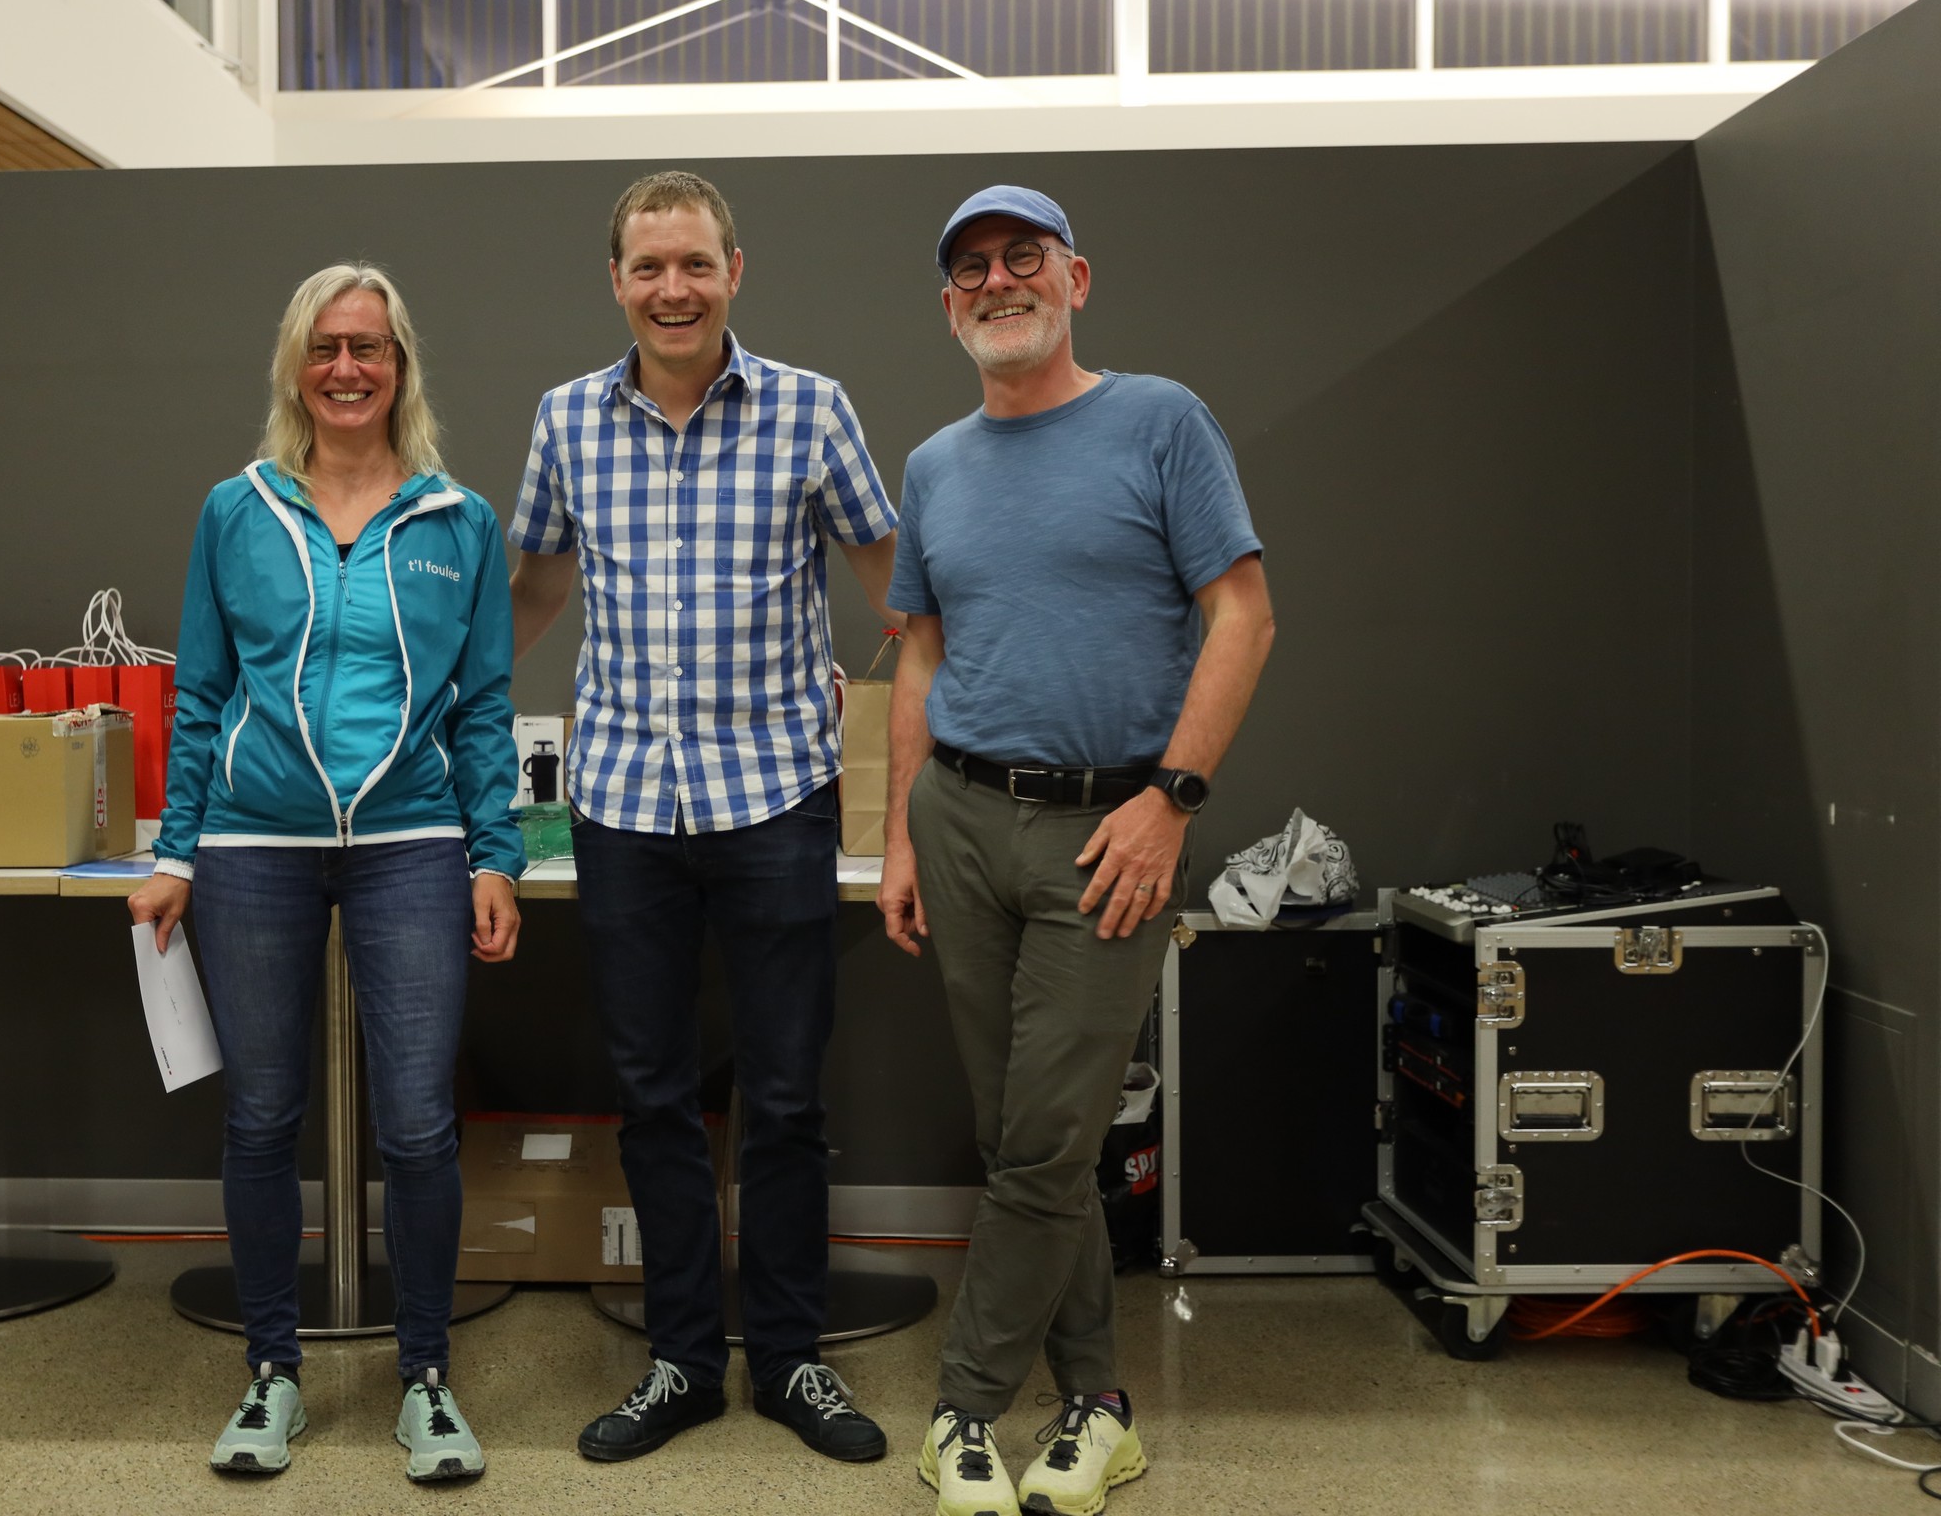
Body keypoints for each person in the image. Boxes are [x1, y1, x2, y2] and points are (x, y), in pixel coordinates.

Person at [878, 187, 1276, 1516]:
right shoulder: (935, 465)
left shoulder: (1161, 422)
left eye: (1022, 259)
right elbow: (919, 657)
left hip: (1110, 833)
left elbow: (1244, 615)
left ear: (1075, 278)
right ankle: (1100, 1406)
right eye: (972, 269)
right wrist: (901, 836)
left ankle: (963, 1409)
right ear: (949, 304)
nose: (998, 282)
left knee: (1046, 1143)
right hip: (960, 822)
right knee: (1023, 1142)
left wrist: (1175, 799)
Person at [507, 171, 902, 1466]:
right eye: (648, 267)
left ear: (736, 270)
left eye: (694, 264)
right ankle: (681, 1359)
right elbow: (535, 590)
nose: (671, 289)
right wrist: (435, 695)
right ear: (616, 282)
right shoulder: (567, 420)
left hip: (776, 798)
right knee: (655, 1100)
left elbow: (896, 582)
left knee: (784, 1098)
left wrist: (942, 708)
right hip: (624, 806)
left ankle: (787, 1358)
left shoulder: (811, 410)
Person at [128, 263, 525, 1483]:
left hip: (414, 842)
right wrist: (176, 850)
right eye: (326, 347)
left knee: (418, 1126)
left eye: (370, 347)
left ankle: (426, 1379)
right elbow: (201, 693)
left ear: (400, 367)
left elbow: (483, 705)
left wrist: (495, 854)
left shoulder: (457, 520)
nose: (348, 368)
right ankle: (271, 1373)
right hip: (255, 844)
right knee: (261, 1118)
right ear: (295, 367)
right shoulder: (235, 510)